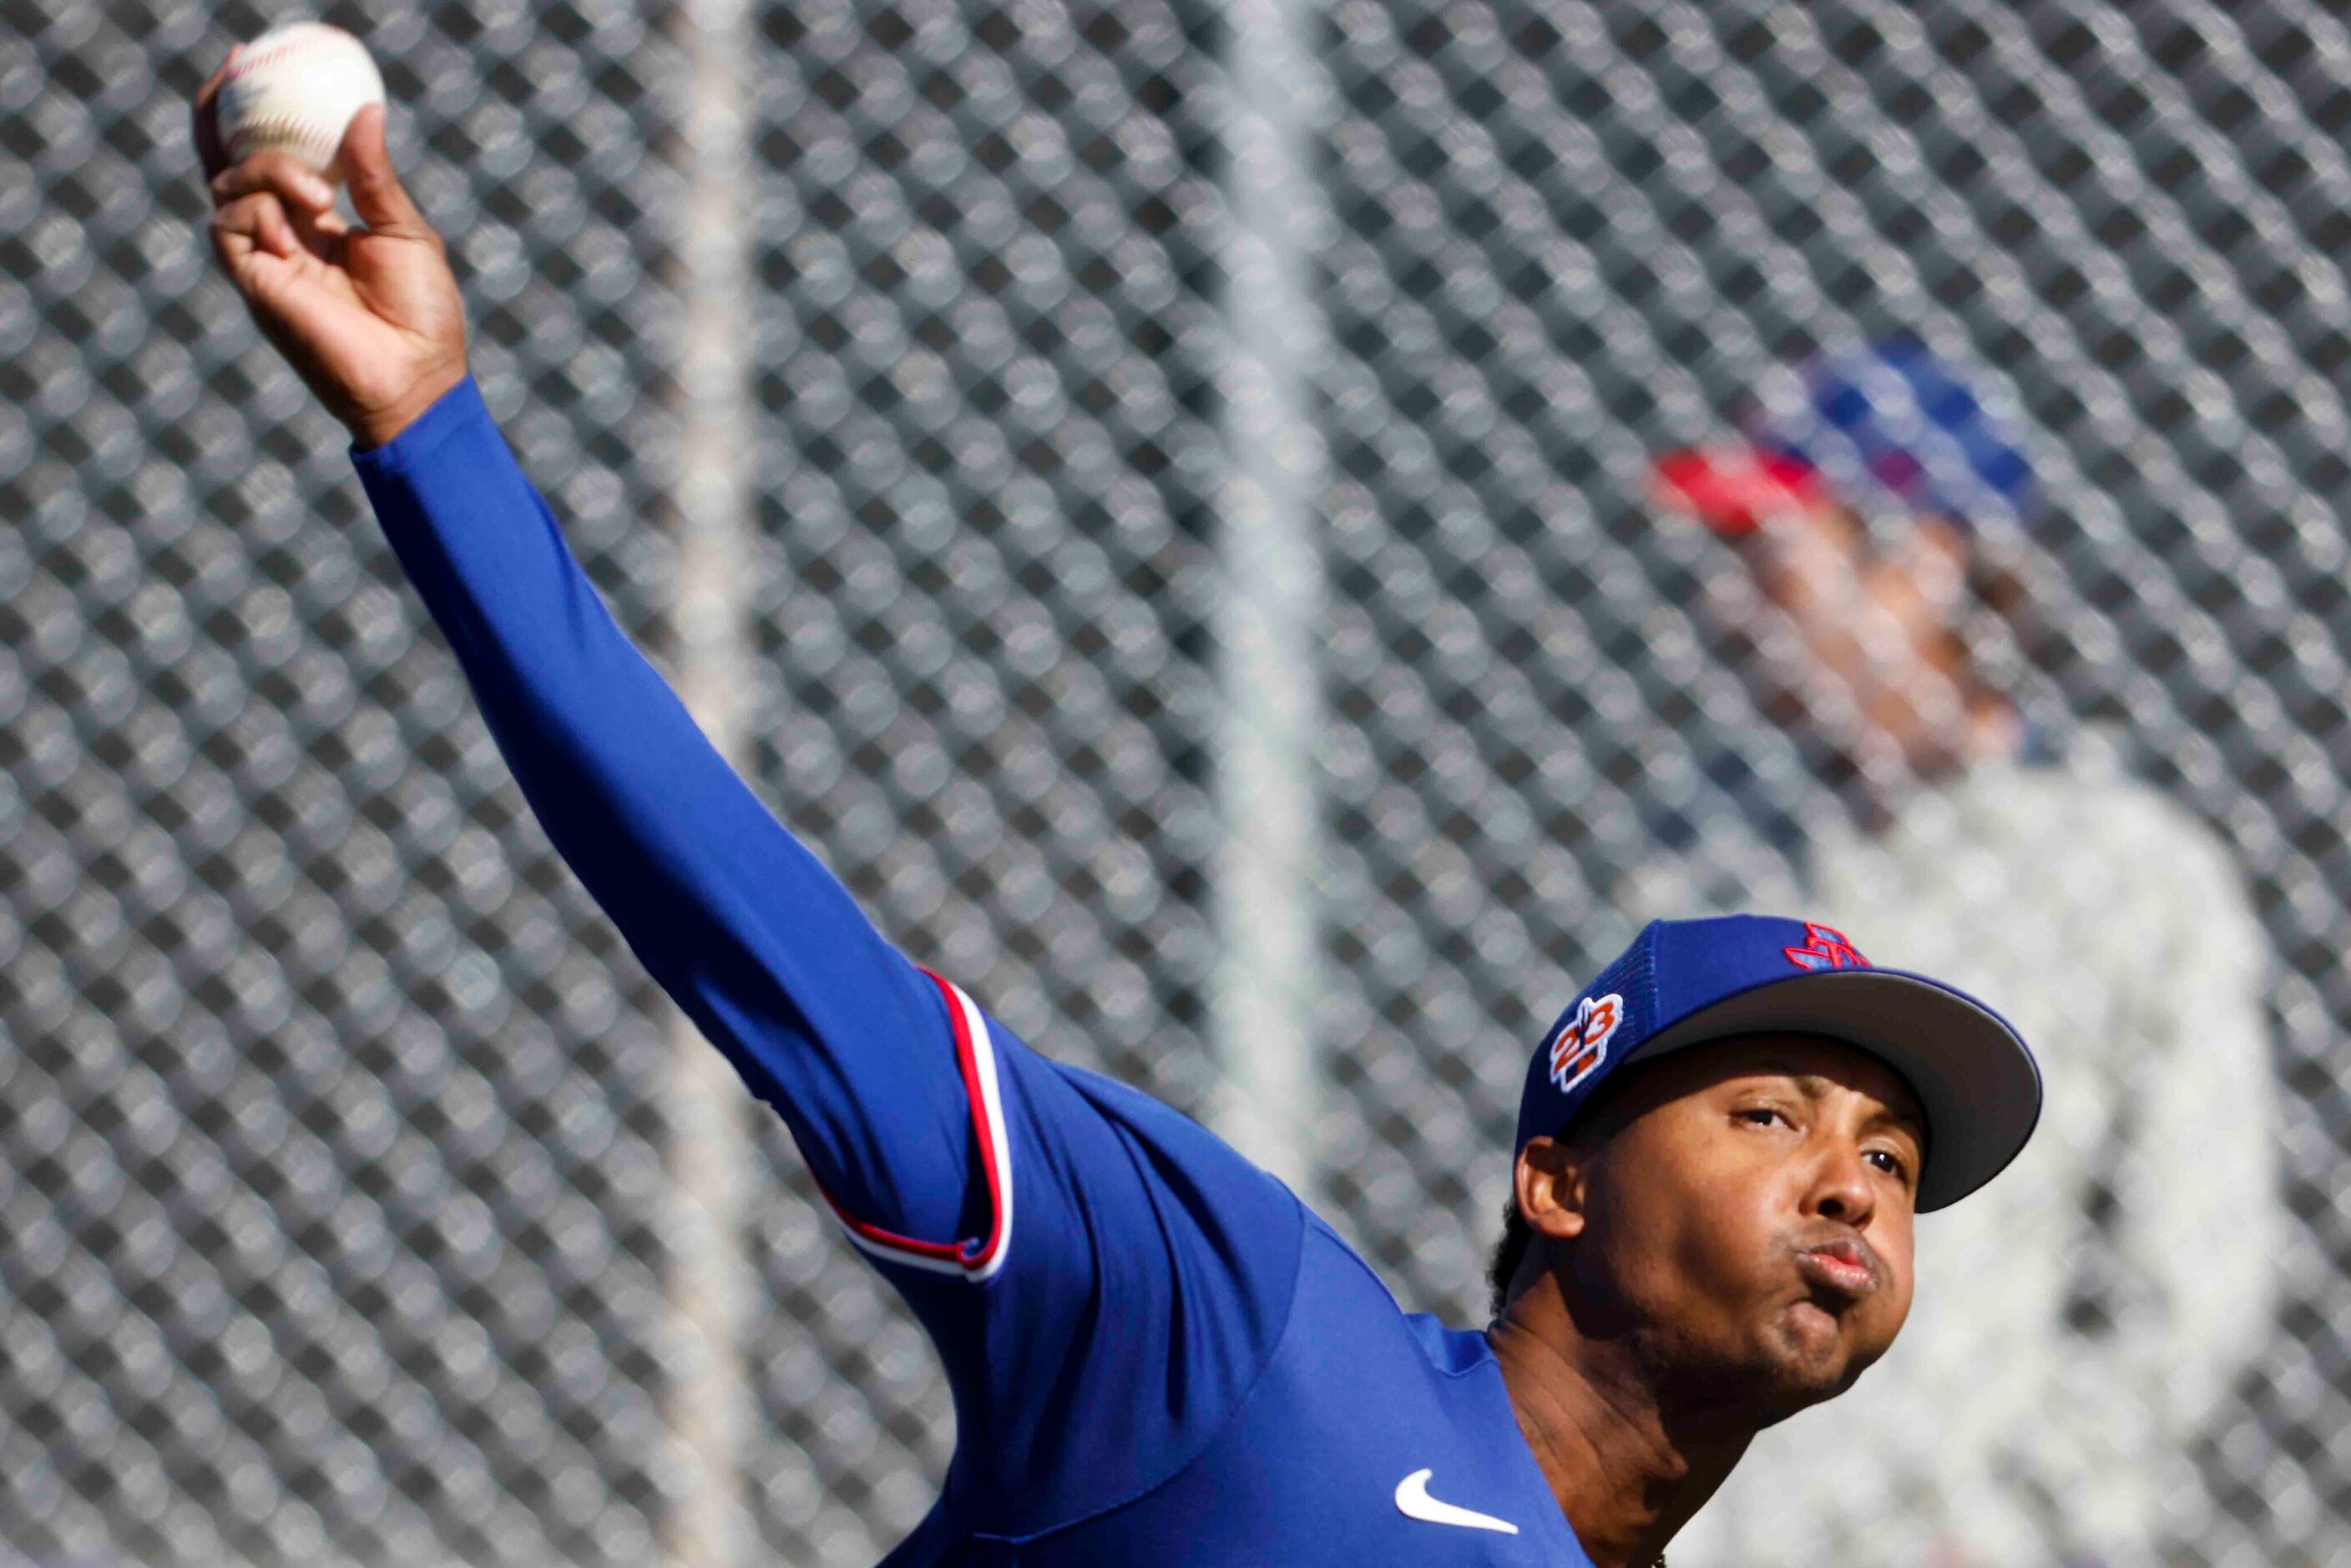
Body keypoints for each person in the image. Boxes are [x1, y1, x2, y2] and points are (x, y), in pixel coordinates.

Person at [195, 97, 2045, 1567]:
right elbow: (769, 943)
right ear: (1553, 1183)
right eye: (1767, 1112)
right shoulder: (1233, 1340)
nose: (1848, 1183)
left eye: (1890, 1154)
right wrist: (434, 437)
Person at [1643, 348, 2280, 1567]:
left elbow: (2195, 1280)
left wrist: (2006, 1523)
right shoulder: (1709, 850)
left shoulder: (2128, 876)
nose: (1730, 607)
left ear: (1921, 567)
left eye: (1774, 561)